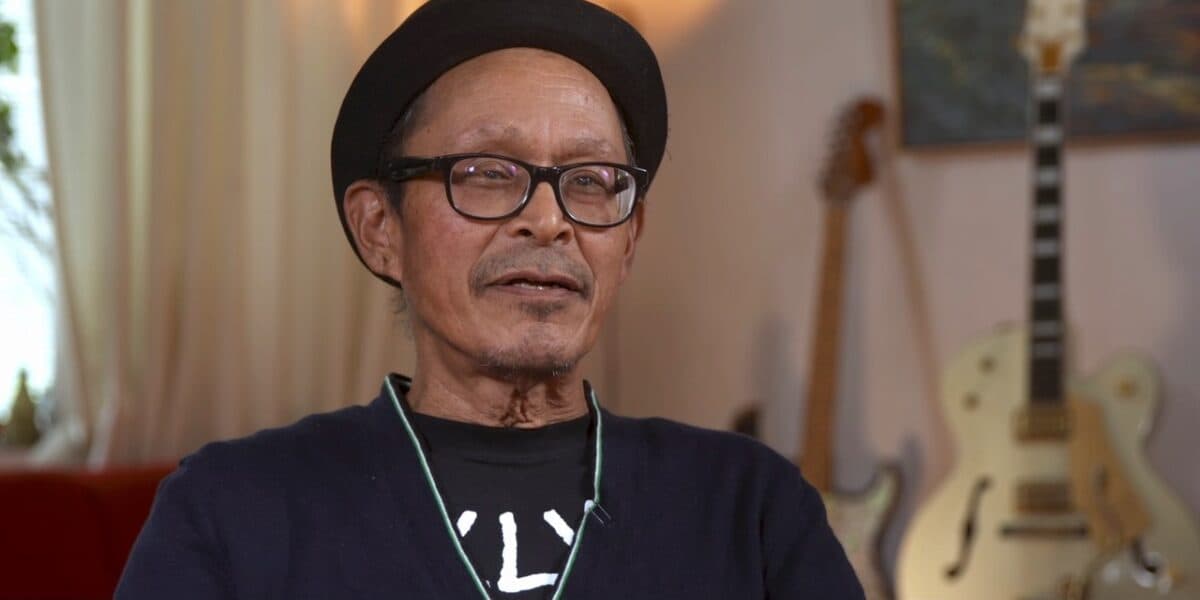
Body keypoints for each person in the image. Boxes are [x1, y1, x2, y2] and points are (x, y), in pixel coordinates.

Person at [117, 1, 864, 598]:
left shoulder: (749, 509)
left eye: (591, 181)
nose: (548, 219)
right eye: (486, 172)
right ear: (381, 229)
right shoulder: (233, 510)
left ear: (629, 240)